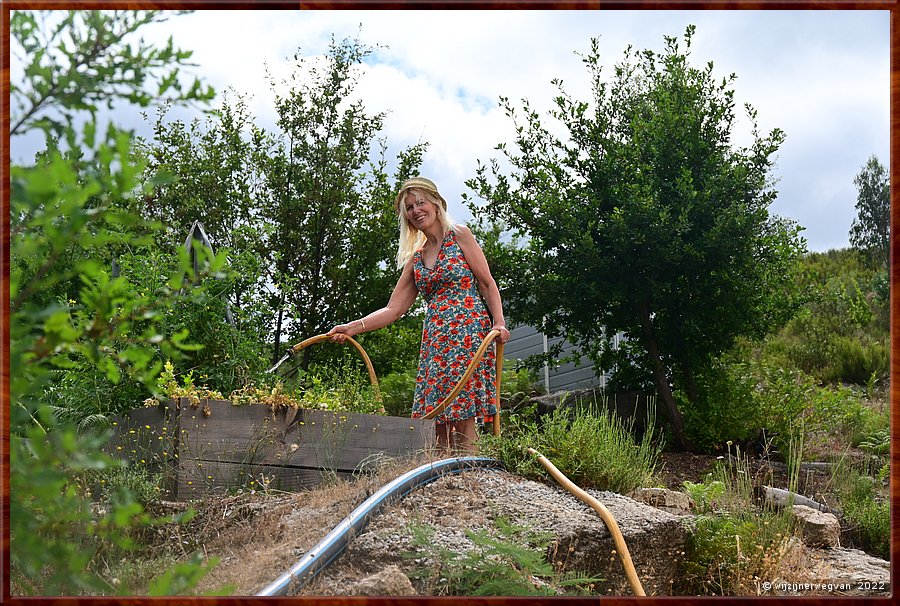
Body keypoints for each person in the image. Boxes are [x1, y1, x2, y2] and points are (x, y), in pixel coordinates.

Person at [327, 177, 510, 453]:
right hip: (436, 342)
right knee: (437, 418)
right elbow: (394, 309)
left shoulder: (460, 235)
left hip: (469, 334)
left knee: (462, 412)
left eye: (420, 202)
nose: (416, 210)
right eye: (409, 207)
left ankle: (470, 476)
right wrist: (353, 327)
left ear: (436, 203)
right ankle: (442, 480)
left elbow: (487, 283)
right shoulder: (417, 258)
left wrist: (499, 322)